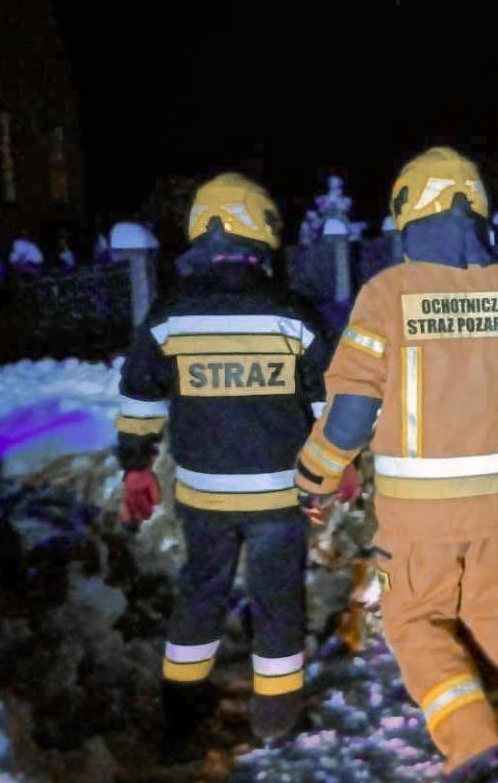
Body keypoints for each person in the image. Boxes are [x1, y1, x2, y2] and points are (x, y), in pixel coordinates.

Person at [294, 147, 498, 783]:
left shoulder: (387, 294)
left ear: (410, 215)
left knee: (412, 621)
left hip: (419, 511)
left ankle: (471, 740)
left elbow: (351, 411)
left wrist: (314, 475)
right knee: (485, 615)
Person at [116, 172, 342, 746]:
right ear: (260, 232)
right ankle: (277, 719)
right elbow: (327, 404)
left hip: (204, 496)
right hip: (277, 498)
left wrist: (136, 466)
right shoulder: (292, 313)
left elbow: (140, 396)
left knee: (200, 593)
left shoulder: (168, 316)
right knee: (278, 602)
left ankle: (182, 711)